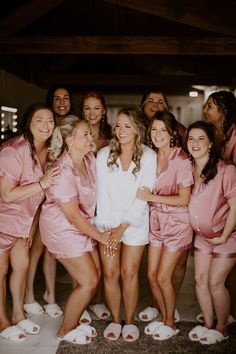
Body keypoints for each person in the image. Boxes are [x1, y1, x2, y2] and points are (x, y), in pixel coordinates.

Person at [39, 115, 116, 344]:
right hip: (62, 228)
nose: (90, 137)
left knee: (95, 275)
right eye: (84, 134)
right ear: (69, 140)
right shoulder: (62, 171)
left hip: (82, 225)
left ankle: (73, 322)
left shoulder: (89, 159)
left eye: (89, 133)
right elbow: (71, 215)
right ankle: (65, 330)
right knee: (89, 281)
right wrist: (101, 237)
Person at [95, 106, 157, 342]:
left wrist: (123, 227)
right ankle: (114, 319)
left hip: (136, 222)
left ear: (138, 129)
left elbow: (144, 195)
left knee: (129, 273)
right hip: (108, 222)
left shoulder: (149, 156)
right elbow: (102, 194)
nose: (121, 130)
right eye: (118, 125)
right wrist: (110, 227)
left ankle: (129, 321)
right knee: (110, 274)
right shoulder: (103, 154)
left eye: (127, 126)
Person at [0, 103, 58, 342]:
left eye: (50, 121)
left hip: (24, 223)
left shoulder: (50, 151)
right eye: (39, 120)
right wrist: (42, 183)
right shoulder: (13, 151)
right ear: (28, 124)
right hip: (3, 221)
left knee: (22, 266)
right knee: (1, 271)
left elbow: (36, 201)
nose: (46, 125)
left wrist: (31, 228)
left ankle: (17, 314)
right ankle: (2, 321)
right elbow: (6, 195)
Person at [137, 111, 193, 341]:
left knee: (162, 277)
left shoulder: (181, 160)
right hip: (156, 221)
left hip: (177, 222)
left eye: (163, 130)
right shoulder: (149, 156)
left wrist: (152, 198)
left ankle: (170, 321)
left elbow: (183, 199)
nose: (158, 134)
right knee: (151, 275)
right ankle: (164, 316)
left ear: (172, 133)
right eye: (154, 130)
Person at [24, 84, 74, 318]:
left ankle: (50, 295)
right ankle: (28, 296)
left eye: (66, 98)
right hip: (39, 199)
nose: (62, 102)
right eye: (57, 98)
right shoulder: (42, 131)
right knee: (34, 248)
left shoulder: (73, 124)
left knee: (52, 250)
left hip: (61, 199)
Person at [187, 120, 236, 345]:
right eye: (190, 138)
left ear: (209, 144)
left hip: (227, 236)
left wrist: (225, 235)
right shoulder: (188, 168)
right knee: (199, 279)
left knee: (216, 282)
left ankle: (221, 328)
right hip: (202, 238)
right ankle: (208, 324)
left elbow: (235, 205)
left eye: (200, 139)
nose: (195, 143)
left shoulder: (226, 170)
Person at [201, 90, 236, 323]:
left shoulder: (235, 135)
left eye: (210, 106)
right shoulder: (215, 133)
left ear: (223, 111)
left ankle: (229, 314)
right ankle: (223, 311)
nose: (206, 110)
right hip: (218, 205)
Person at [79, 90, 112, 320]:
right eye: (87, 108)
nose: (91, 113)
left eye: (96, 108)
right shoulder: (76, 133)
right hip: (81, 199)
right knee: (80, 251)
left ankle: (98, 300)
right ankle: (81, 302)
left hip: (105, 201)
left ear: (103, 111)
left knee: (101, 256)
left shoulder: (112, 136)